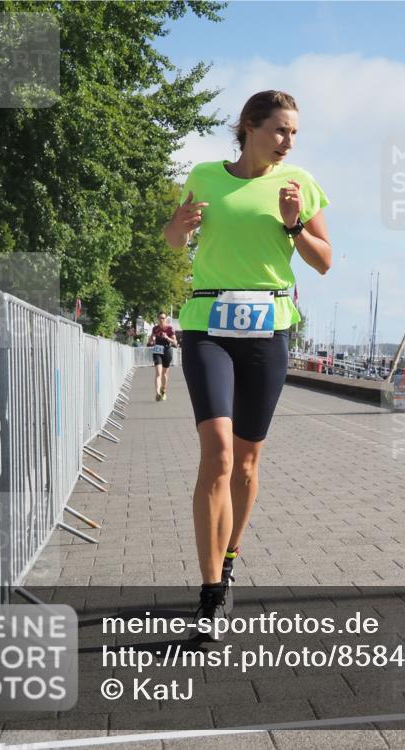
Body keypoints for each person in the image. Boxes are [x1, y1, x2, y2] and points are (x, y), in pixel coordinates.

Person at [163, 90, 331, 639]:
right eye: (281, 130)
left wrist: (291, 225)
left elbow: (324, 261)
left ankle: (229, 556)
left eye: (295, 133)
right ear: (250, 128)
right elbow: (171, 239)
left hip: (268, 329)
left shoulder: (299, 185)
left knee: (247, 465)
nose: (289, 142)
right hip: (207, 323)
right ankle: (210, 591)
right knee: (217, 452)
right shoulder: (207, 175)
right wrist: (180, 227)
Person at [147, 314, 177, 400]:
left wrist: (167, 337)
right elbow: (151, 339)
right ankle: (157, 393)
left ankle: (163, 389)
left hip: (167, 351)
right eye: (160, 318)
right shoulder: (155, 328)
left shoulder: (170, 329)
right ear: (157, 318)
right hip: (157, 351)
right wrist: (151, 340)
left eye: (163, 318)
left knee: (164, 374)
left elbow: (175, 342)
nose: (161, 320)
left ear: (165, 319)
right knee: (158, 373)